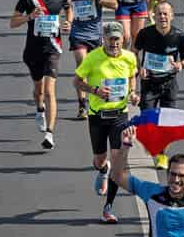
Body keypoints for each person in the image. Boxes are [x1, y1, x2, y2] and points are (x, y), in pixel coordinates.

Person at [77, 21, 139, 223]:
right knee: (100, 161)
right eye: (110, 39)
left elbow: (131, 77)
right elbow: (76, 81)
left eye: (117, 39)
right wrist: (95, 91)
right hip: (97, 116)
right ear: (104, 39)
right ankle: (103, 170)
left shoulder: (130, 57)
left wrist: (132, 93)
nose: (114, 43)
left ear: (123, 40)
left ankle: (108, 207)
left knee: (118, 162)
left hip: (119, 116)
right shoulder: (93, 58)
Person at [11, 0, 74, 150]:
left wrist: (68, 22)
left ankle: (50, 133)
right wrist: (29, 17)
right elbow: (12, 22)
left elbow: (69, 8)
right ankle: (39, 110)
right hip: (32, 50)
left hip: (53, 49)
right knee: (38, 91)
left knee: (49, 91)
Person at [63, 0, 118, 118]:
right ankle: (82, 105)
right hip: (78, 32)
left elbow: (114, 4)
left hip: (95, 32)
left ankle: (97, 100)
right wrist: (67, 16)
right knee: (82, 65)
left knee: (96, 69)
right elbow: (64, 4)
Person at [133, 1, 184, 117]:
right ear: (154, 15)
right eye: (159, 14)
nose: (162, 17)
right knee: (147, 120)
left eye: (165, 14)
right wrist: (139, 68)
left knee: (168, 121)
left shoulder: (179, 36)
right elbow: (134, 53)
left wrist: (180, 65)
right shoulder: (145, 33)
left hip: (169, 84)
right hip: (149, 83)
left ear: (172, 16)